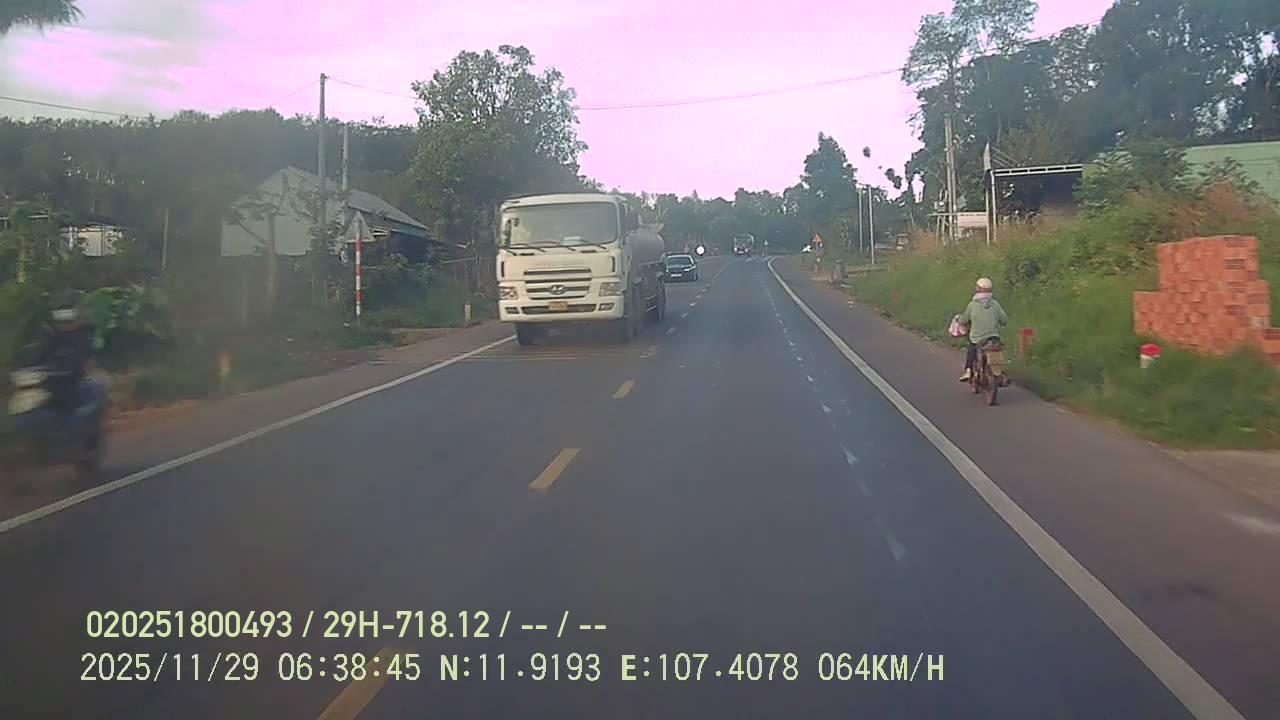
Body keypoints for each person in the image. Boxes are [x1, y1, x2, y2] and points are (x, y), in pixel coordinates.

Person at [30, 289, 97, 413]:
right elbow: (38, 358)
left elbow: (87, 361)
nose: (65, 325)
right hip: (50, 383)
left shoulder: (82, 336)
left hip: (74, 382)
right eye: (62, 322)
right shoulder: (51, 338)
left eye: (68, 322)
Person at [957, 277, 1008, 382]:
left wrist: (959, 320)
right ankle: (1000, 374)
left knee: (972, 348)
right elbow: (1004, 320)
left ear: (978, 289)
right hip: (994, 338)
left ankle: (968, 370)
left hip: (977, 338)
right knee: (997, 351)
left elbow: (964, 319)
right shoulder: (995, 304)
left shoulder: (972, 304)